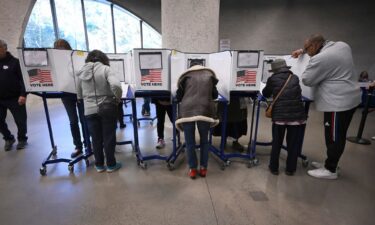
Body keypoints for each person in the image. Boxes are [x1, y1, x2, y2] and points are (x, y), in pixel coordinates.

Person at [292, 34, 361, 179]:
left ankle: (331, 170)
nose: (306, 51)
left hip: (337, 103)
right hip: (351, 98)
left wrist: (306, 63)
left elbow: (307, 80)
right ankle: (331, 164)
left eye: (307, 48)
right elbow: (319, 51)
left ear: (315, 46)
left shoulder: (320, 59)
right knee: (338, 134)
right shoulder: (343, 45)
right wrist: (303, 52)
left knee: (334, 137)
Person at [76, 50, 122, 173]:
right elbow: (116, 86)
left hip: (89, 110)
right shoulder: (106, 69)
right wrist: (117, 98)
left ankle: (99, 165)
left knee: (95, 138)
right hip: (107, 107)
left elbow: (79, 94)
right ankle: (111, 165)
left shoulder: (81, 72)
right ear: (103, 58)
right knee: (108, 137)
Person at [262, 59, 307, 176]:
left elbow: (265, 93)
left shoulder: (272, 79)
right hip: (296, 116)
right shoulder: (295, 78)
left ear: (275, 70)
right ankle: (290, 169)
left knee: (277, 142)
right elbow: (298, 93)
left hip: (280, 116)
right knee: (293, 144)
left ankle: (274, 168)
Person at [175, 60, 219, 179]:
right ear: (202, 66)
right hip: (205, 110)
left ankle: (193, 169)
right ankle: (203, 168)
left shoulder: (185, 76)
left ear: (190, 67)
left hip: (187, 111)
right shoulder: (209, 76)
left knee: (190, 142)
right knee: (204, 141)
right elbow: (215, 95)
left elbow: (178, 96)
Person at [54, 39, 88, 158]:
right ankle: (78, 146)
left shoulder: (76, 58)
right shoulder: (55, 62)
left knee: (84, 119)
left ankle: (88, 143)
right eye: (58, 48)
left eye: (62, 47)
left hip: (79, 92)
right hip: (65, 94)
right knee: (73, 121)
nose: (60, 50)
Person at [0, 39, 28, 151]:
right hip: (0, 99)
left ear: (4, 48)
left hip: (16, 98)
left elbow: (24, 80)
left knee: (20, 121)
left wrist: (23, 95)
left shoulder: (15, 62)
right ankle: (8, 138)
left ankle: (22, 139)